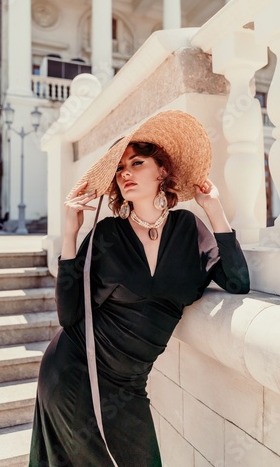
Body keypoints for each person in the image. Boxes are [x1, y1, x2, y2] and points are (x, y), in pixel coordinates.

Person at [29, 110, 250, 467]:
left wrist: (214, 209)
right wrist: (70, 233)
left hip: (129, 387)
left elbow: (238, 282)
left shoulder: (188, 230)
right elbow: (69, 315)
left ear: (162, 171)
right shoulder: (107, 235)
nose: (125, 173)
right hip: (74, 374)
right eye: (120, 169)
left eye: (137, 162)